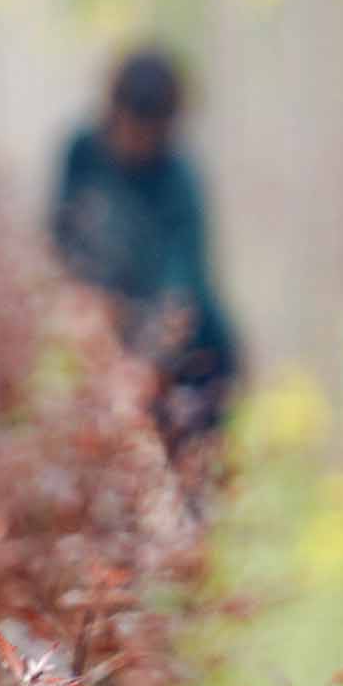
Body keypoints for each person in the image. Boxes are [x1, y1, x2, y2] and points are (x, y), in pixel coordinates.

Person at [47, 45, 242, 467]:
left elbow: (182, 290)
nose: (135, 143)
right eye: (129, 128)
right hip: (103, 340)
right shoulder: (82, 153)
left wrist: (148, 363)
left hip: (189, 360)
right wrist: (87, 308)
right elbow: (61, 237)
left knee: (177, 471)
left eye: (149, 133)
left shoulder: (180, 180)